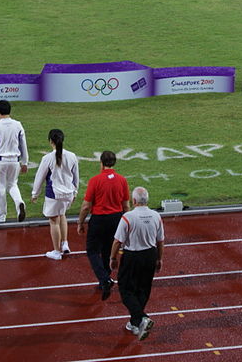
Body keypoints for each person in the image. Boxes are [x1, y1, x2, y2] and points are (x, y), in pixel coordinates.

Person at [110, 186, 165, 341]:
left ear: (133, 201)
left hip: (132, 256)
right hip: (150, 255)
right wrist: (159, 259)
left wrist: (112, 258)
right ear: (147, 200)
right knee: (143, 288)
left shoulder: (128, 217)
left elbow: (117, 241)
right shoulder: (156, 216)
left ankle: (141, 318)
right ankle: (135, 323)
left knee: (125, 289)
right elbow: (160, 241)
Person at [77, 151, 130, 300]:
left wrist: (80, 222)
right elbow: (126, 206)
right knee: (108, 250)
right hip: (116, 219)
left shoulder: (95, 180)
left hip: (99, 219)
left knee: (92, 251)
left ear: (101, 163)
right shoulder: (122, 180)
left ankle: (104, 279)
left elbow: (86, 206)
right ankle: (105, 279)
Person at [31, 129, 80, 260]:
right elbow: (76, 177)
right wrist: (75, 192)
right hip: (68, 193)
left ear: (50, 141)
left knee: (54, 221)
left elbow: (39, 177)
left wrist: (35, 194)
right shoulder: (72, 156)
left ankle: (57, 252)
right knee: (62, 215)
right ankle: (65, 244)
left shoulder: (47, 158)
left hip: (54, 195)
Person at [0, 100, 28, 223]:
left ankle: (1, 215)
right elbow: (23, 145)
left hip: (0, 162)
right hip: (15, 161)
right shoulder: (18, 125)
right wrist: (25, 162)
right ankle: (19, 203)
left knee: (0, 187)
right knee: (13, 184)